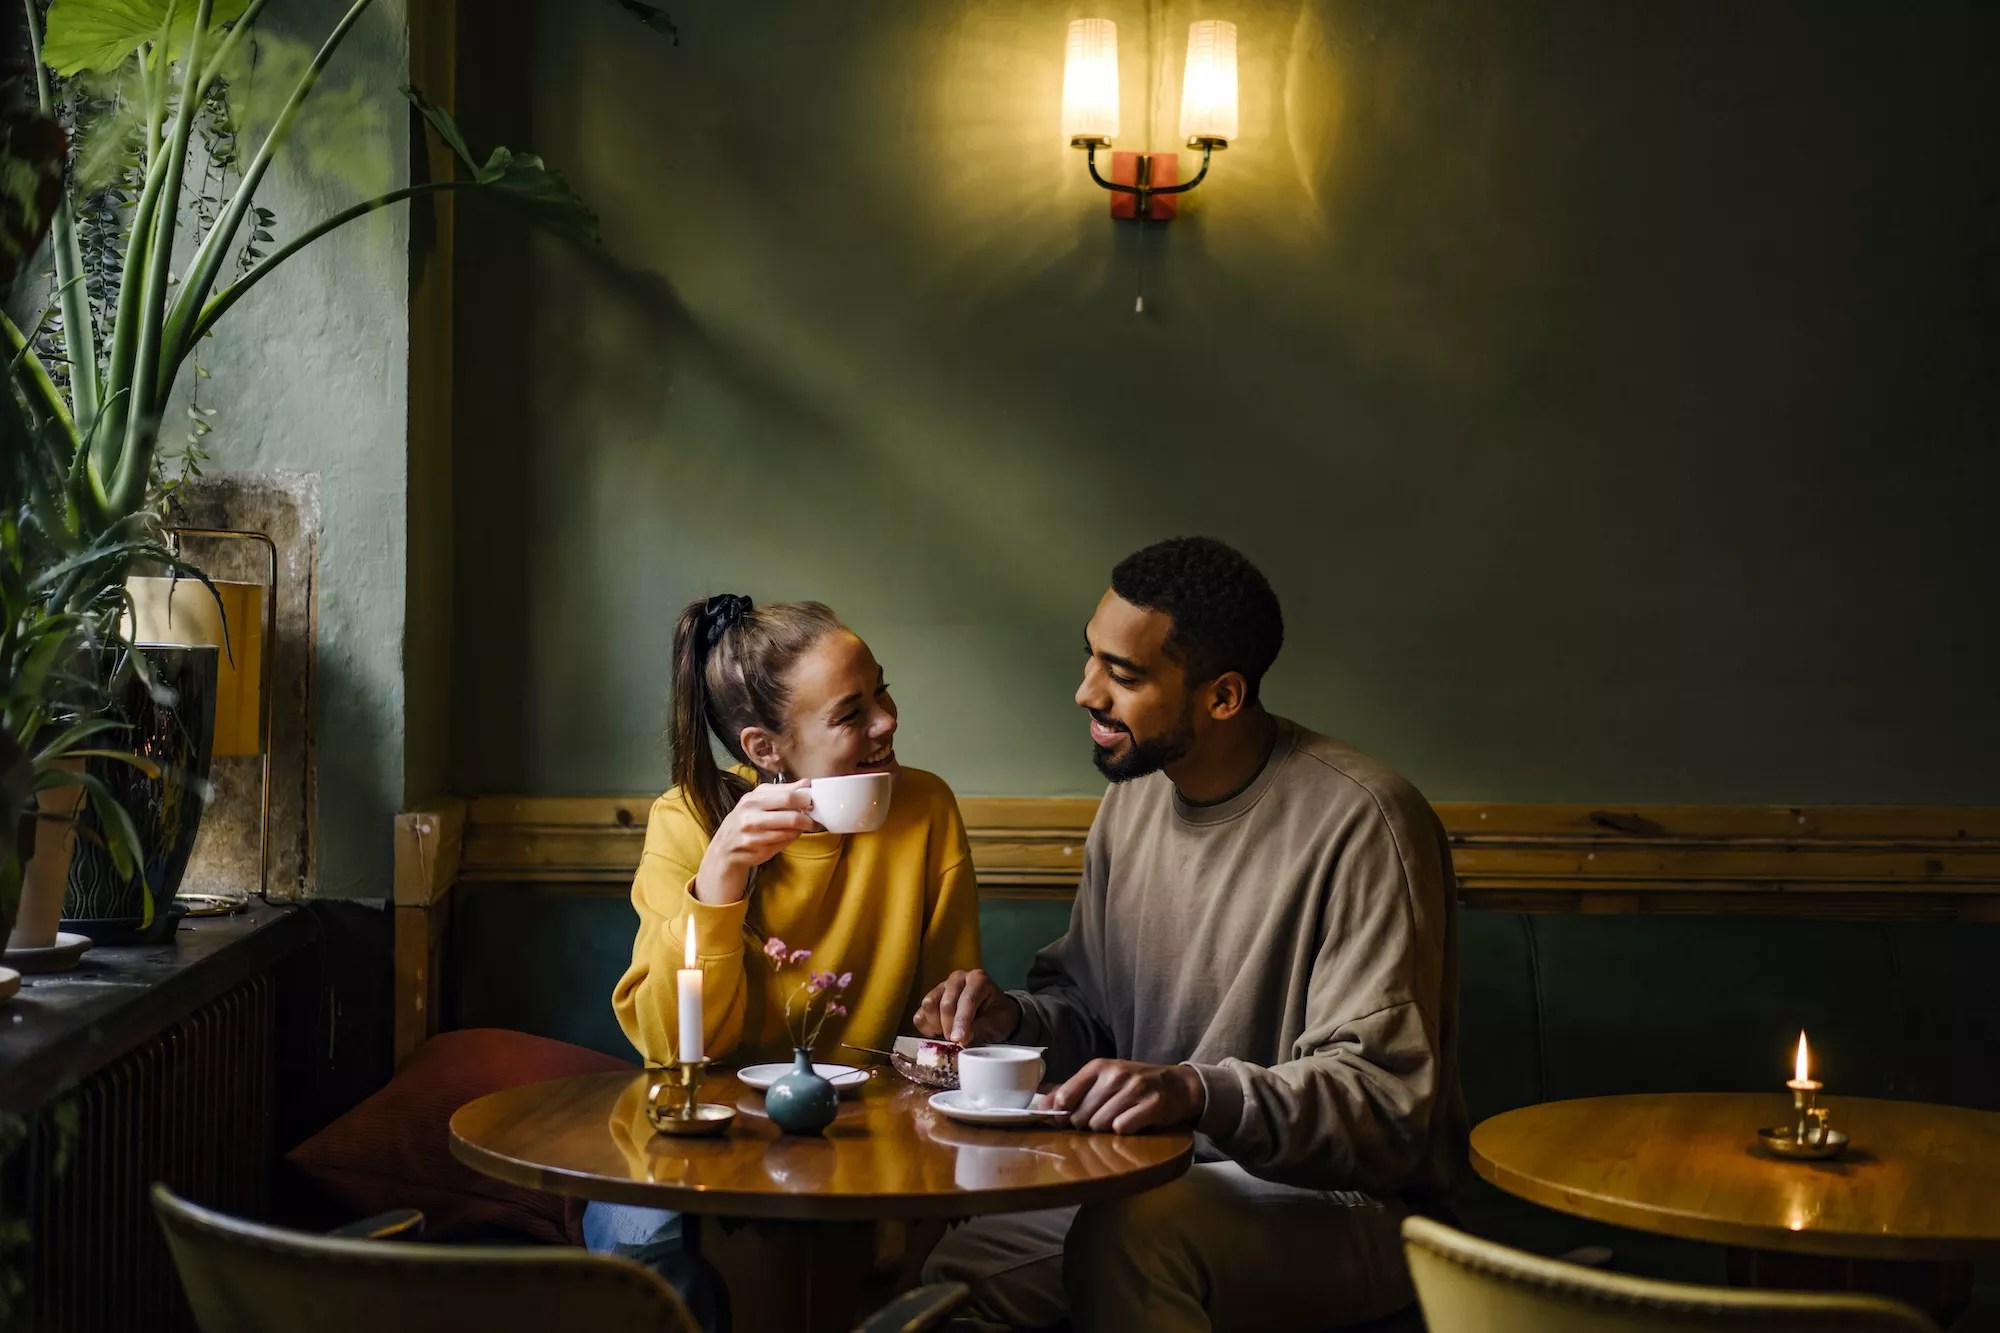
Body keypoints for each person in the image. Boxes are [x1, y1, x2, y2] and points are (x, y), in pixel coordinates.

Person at [917, 537, 1467, 1333]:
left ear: (1222, 696)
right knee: (958, 1276)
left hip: (1359, 1208)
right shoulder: (1135, 797)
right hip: (1157, 1181)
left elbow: (1383, 1106)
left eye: (1125, 675)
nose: (1085, 692)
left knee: (1136, 1239)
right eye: (1090, 658)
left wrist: (1197, 1090)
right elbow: (1089, 1015)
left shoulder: (1365, 820)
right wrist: (1012, 1022)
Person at [590, 594, 984, 1327]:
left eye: (881, 692)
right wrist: (719, 879)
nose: (888, 720)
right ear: (765, 749)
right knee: (658, 1279)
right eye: (850, 713)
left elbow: (940, 1045)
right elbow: (669, 1047)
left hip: (865, 1150)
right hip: (695, 1151)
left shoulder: (924, 808)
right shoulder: (687, 818)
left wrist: (965, 1011)